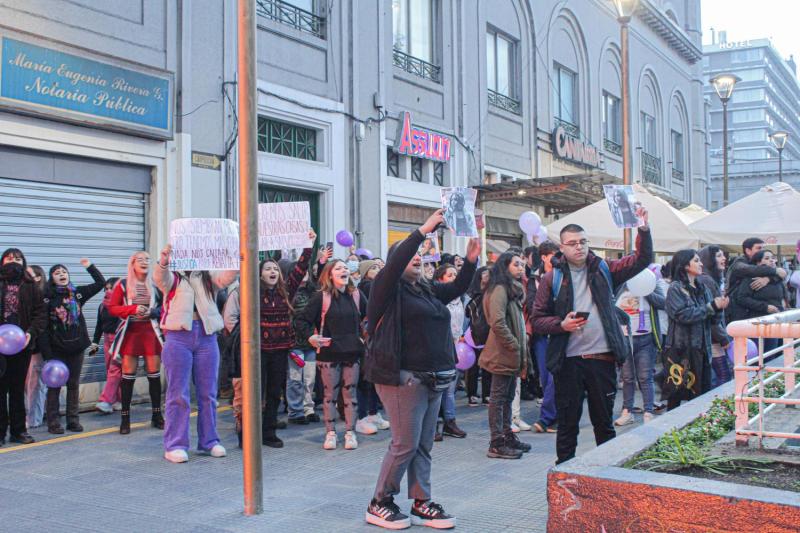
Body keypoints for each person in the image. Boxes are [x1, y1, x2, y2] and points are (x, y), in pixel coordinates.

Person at [364, 209, 478, 530]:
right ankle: (380, 502)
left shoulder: (426, 289)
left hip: (434, 379)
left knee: (424, 444)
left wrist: (469, 261)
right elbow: (399, 259)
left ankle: (421, 502)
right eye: (411, 255)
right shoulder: (385, 290)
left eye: (420, 255)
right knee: (405, 444)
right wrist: (425, 231)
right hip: (403, 378)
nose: (417, 257)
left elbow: (455, 289)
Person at [532, 207, 653, 465]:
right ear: (561, 248)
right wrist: (561, 324)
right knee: (568, 424)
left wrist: (643, 229)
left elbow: (641, 260)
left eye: (583, 242)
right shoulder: (551, 278)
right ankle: (564, 474)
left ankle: (607, 473)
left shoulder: (604, 268)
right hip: (568, 361)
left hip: (602, 358)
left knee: (604, 424)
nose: (579, 248)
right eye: (573, 243)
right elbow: (537, 319)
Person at [155, 244, 237, 463]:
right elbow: (160, 279)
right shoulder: (174, 275)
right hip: (178, 336)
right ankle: (175, 444)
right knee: (178, 394)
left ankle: (209, 441)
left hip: (207, 336)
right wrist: (164, 261)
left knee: (208, 394)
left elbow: (225, 279)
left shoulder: (206, 276)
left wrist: (235, 257)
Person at [297, 259, 367, 450]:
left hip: (352, 353)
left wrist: (364, 338)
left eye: (345, 267)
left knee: (350, 394)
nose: (344, 270)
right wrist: (311, 337)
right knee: (330, 396)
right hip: (328, 353)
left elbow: (369, 318)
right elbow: (302, 320)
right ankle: (331, 433)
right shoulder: (321, 297)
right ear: (330, 274)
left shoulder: (356, 295)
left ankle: (350, 433)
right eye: (338, 268)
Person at [257, 230, 315, 448]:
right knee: (256, 394)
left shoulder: (286, 291)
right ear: (260, 274)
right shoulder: (253, 291)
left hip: (280, 350)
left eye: (275, 269)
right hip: (259, 351)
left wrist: (308, 244)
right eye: (267, 268)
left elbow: (300, 269)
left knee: (273, 393)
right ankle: (250, 431)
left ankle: (269, 432)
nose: (272, 271)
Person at [41, 259, 106, 434]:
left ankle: (73, 421)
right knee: (54, 387)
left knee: (73, 384)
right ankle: (53, 422)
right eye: (57, 272)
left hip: (76, 347)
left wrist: (89, 266)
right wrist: (47, 354)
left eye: (64, 271)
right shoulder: (47, 298)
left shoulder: (77, 294)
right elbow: (43, 328)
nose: (62, 274)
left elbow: (101, 283)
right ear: (51, 278)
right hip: (56, 350)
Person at [107, 252, 165, 434]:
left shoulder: (156, 285)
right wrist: (132, 309)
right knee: (128, 375)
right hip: (130, 332)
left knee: (154, 374)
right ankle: (125, 418)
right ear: (132, 264)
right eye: (140, 260)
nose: (144, 262)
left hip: (150, 332)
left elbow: (165, 307)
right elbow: (112, 308)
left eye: (147, 259)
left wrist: (152, 312)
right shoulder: (123, 285)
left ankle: (157, 415)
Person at [663, 250, 728, 410]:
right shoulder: (675, 288)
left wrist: (719, 308)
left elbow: (712, 320)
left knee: (702, 394)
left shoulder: (702, 288)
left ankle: (699, 427)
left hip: (702, 349)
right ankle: (671, 430)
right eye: (696, 261)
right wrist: (711, 306)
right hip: (680, 350)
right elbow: (682, 315)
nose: (701, 264)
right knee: (676, 395)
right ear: (685, 265)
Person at [482, 251, 531, 459]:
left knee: (508, 396)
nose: (521, 268)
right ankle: (497, 441)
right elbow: (497, 322)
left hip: (512, 354)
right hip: (502, 353)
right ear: (505, 267)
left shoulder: (512, 289)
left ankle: (507, 434)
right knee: (498, 398)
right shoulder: (500, 289)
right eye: (516, 264)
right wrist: (513, 344)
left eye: (522, 264)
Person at [0, 249, 46, 445]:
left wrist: (31, 333)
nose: (14, 261)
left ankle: (19, 431)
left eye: (18, 258)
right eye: (9, 258)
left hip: (22, 344)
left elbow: (40, 314)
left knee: (18, 389)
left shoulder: (31, 286)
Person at [286, 247, 331, 426]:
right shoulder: (289, 292)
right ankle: (295, 411)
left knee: (310, 378)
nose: (304, 273)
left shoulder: (312, 291)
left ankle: (308, 408)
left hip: (311, 342)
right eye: (300, 271)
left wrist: (321, 263)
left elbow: (322, 284)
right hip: (294, 343)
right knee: (295, 378)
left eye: (306, 271)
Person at [613, 274, 665, 426]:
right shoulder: (621, 286)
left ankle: (648, 411)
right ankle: (627, 411)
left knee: (645, 377)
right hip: (625, 339)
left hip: (646, 339)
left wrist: (646, 290)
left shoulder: (651, 284)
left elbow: (663, 303)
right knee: (627, 378)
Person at [354, 258, 390, 435]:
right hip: (368, 339)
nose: (378, 270)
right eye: (374, 268)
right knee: (365, 379)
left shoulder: (375, 286)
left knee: (373, 378)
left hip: (375, 338)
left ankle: (373, 412)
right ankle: (363, 416)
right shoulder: (367, 287)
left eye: (379, 267)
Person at [433, 263, 467, 440]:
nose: (454, 278)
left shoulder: (460, 299)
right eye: (450, 275)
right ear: (440, 280)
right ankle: (434, 424)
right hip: (440, 346)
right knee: (438, 388)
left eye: (456, 274)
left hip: (455, 345)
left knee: (450, 388)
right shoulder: (438, 299)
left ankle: (450, 421)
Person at [734, 250, 789, 357]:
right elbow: (741, 298)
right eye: (767, 258)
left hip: (776, 321)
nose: (771, 261)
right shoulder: (750, 278)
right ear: (758, 263)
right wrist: (765, 307)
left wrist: (769, 278)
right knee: (758, 357)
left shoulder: (777, 279)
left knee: (773, 355)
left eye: (772, 258)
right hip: (757, 323)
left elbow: (783, 276)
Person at [531, 242, 559, 433]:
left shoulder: (563, 275)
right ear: (543, 257)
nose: (556, 259)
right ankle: (553, 416)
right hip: (540, 334)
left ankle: (546, 418)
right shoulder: (534, 278)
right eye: (552, 255)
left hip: (558, 332)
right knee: (544, 376)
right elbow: (532, 304)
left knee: (553, 377)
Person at [725, 238, 787, 324]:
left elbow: (782, 275)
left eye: (763, 248)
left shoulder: (763, 269)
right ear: (748, 250)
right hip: (738, 312)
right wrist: (775, 271)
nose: (762, 251)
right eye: (759, 248)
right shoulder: (739, 263)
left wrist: (769, 279)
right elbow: (752, 270)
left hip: (762, 316)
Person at [697, 246, 734, 385]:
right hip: (713, 338)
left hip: (714, 336)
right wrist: (723, 338)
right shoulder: (706, 280)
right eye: (719, 256)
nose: (724, 258)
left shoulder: (712, 278)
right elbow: (710, 314)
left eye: (723, 255)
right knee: (723, 375)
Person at [23, 265, 48, 430]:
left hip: (38, 348)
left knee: (36, 385)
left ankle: (34, 419)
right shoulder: (25, 294)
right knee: (27, 385)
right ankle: (31, 415)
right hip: (23, 348)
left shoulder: (43, 297)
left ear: (38, 277)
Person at [93, 277, 122, 415]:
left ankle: (106, 401)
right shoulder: (102, 306)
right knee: (110, 369)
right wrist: (94, 342)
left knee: (114, 369)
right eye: (107, 288)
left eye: (112, 288)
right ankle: (117, 400)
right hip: (106, 339)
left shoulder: (122, 304)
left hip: (118, 338)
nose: (108, 291)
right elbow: (99, 326)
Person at [465, 267, 491, 406]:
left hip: (489, 332)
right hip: (473, 333)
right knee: (473, 365)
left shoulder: (492, 293)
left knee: (487, 364)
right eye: (484, 273)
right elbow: (467, 313)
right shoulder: (472, 293)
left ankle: (487, 394)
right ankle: (472, 394)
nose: (487, 276)